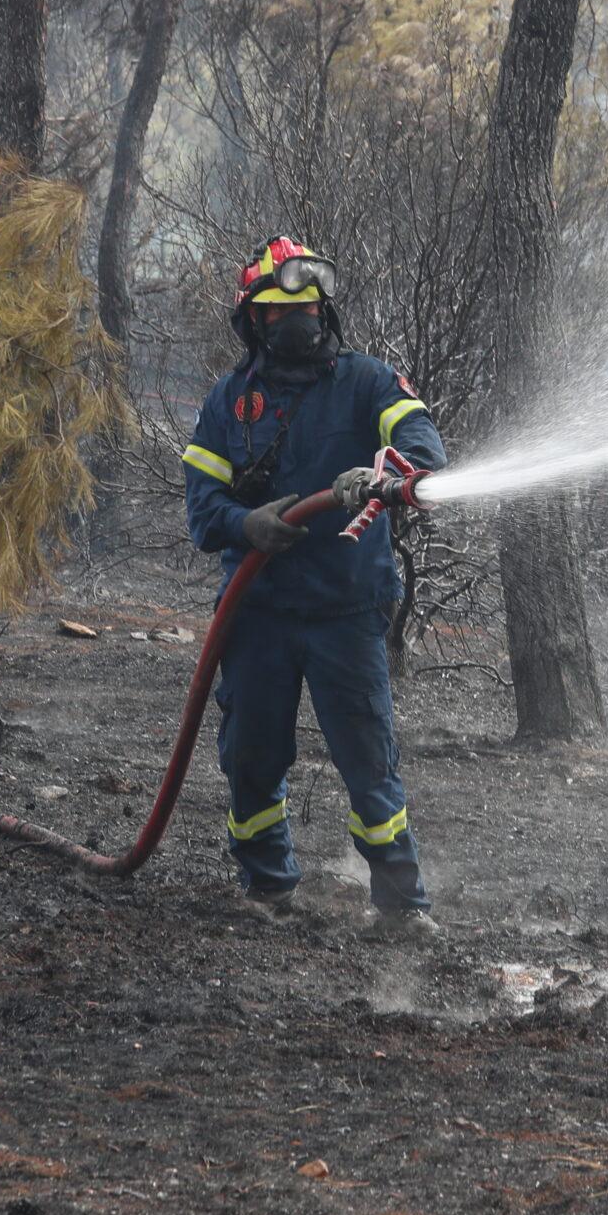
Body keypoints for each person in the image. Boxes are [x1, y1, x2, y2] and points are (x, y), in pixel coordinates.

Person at [181, 236, 448, 938]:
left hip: (345, 611)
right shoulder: (228, 402)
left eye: (307, 308)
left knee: (369, 762)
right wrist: (249, 524)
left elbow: (419, 435)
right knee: (251, 755)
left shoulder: (366, 382)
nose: (295, 321)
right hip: (258, 612)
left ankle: (401, 904)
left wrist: (398, 470)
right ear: (254, 322)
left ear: (325, 312)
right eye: (279, 310)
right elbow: (203, 510)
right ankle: (266, 883)